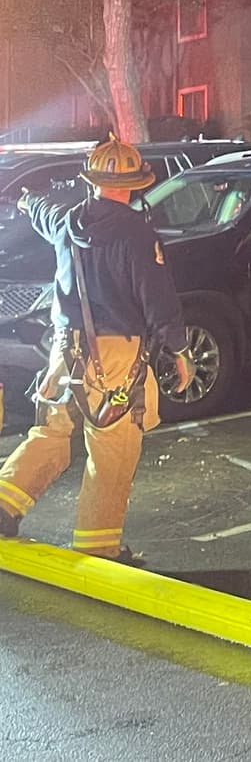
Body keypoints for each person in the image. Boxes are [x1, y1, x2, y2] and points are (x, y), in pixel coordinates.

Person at [0, 136, 194, 562]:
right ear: (133, 186)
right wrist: (180, 351)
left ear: (91, 182)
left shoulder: (66, 221)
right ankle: (99, 547)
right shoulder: (138, 235)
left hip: (65, 351)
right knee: (113, 449)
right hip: (117, 357)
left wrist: (28, 198)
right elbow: (158, 298)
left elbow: (41, 210)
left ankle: (4, 505)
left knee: (52, 432)